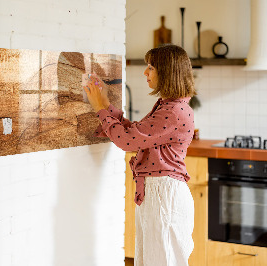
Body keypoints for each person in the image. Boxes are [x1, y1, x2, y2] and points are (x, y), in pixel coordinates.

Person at [84, 44, 196, 266]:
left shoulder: (173, 111)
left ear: (167, 72)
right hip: (159, 193)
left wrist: (100, 108)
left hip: (164, 195)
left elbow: (127, 141)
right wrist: (106, 104)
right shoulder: (169, 106)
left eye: (151, 67)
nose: (145, 72)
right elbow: (135, 133)